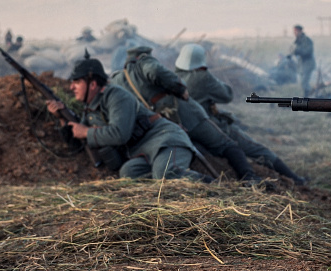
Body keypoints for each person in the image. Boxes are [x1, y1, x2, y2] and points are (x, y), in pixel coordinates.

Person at [110, 45, 265, 184]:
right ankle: (249, 176)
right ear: (143, 55)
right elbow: (156, 71)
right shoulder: (144, 62)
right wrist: (180, 88)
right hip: (186, 113)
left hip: (160, 125)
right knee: (225, 144)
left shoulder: (117, 79)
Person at [46, 53, 210, 182]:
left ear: (93, 84)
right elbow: (77, 143)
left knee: (165, 176)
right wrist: (62, 118)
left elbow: (119, 134)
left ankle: (213, 187)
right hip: (142, 151)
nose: (71, 87)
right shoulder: (90, 108)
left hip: (164, 140)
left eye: (76, 82)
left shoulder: (116, 96)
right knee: (129, 173)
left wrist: (86, 132)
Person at [175, 43, 308, 185]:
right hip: (210, 123)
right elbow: (227, 94)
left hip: (185, 127)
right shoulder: (202, 77)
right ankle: (294, 179)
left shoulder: (174, 77)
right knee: (255, 148)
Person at [290, 25, 315, 96]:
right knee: (303, 83)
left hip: (308, 64)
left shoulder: (307, 40)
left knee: (304, 83)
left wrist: (297, 51)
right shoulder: (297, 41)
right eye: (294, 32)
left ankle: (311, 95)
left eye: (296, 31)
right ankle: (308, 96)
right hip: (302, 65)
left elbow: (308, 51)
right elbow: (293, 50)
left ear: (300, 31)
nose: (294, 33)